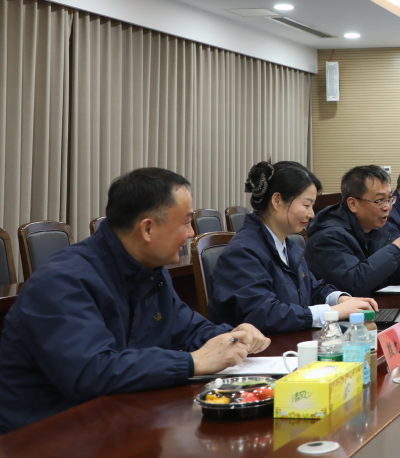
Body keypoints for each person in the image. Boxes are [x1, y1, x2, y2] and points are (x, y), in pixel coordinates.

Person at [0, 168, 270, 433]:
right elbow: (91, 372)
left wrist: (232, 337)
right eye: (186, 222)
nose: (191, 233)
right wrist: (191, 362)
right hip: (43, 434)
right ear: (148, 228)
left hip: (114, 420)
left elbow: (186, 327)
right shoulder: (63, 281)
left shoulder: (151, 270)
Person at [210, 161, 378, 334]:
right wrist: (332, 312)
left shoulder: (288, 245)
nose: (311, 214)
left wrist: (340, 300)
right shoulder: (243, 252)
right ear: (277, 201)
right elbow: (265, 314)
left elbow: (312, 288)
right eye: (306, 205)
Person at [305, 165, 400, 296]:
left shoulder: (375, 229)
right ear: (353, 204)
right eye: (380, 200)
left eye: (389, 199)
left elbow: (387, 279)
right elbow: (353, 285)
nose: (388, 207)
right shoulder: (328, 236)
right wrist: (396, 250)